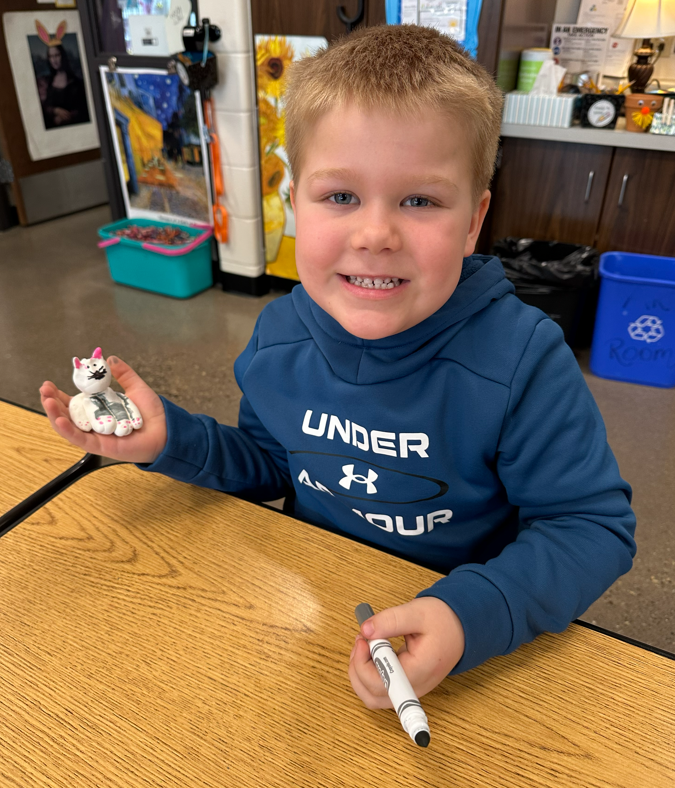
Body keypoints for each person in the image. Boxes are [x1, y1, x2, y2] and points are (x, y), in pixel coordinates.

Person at [40, 25, 636, 710]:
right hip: (314, 610)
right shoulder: (279, 334)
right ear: (295, 204)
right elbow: (272, 462)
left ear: (473, 223)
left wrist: (465, 615)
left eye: (419, 200)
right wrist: (170, 440)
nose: (375, 234)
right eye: (340, 196)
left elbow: (589, 529)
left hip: (469, 651)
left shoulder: (522, 359)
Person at [40, 44, 90, 129]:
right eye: (51, 56)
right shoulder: (47, 81)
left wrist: (67, 117)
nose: (54, 60)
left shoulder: (76, 82)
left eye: (57, 55)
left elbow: (84, 109)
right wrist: (55, 111)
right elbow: (44, 106)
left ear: (63, 56)